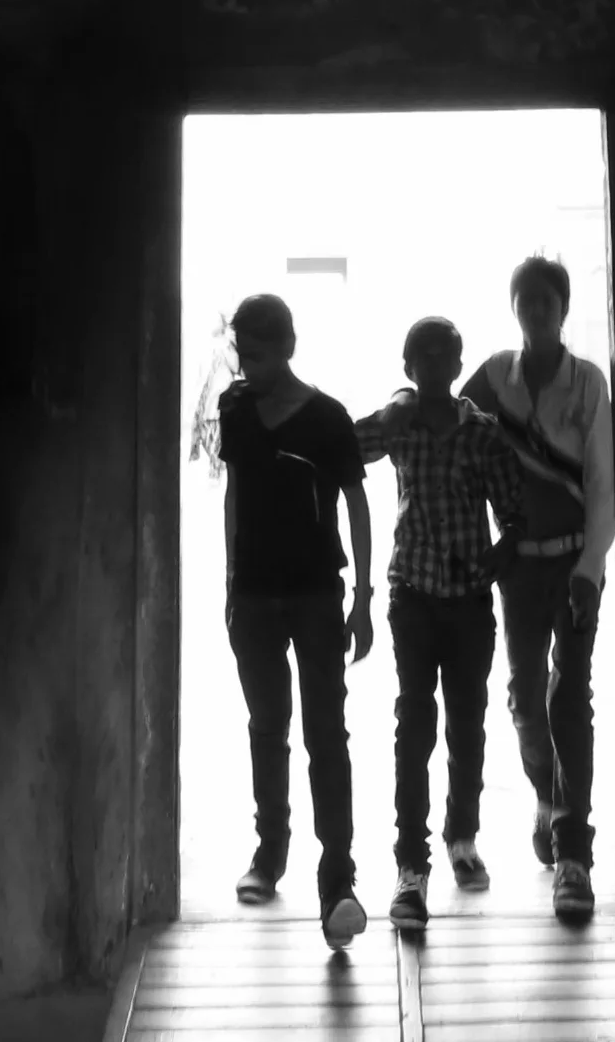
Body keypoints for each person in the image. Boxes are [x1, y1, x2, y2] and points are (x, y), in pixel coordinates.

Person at [352, 317, 526, 933]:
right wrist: (392, 408)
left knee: (468, 724)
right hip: (413, 595)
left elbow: (514, 511)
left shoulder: (481, 434)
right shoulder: (401, 429)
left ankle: (462, 835)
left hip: (470, 600)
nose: (431, 367)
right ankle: (410, 864)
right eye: (419, 359)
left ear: (457, 366)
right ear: (408, 368)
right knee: (414, 724)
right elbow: (350, 448)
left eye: (442, 357)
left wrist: (501, 553)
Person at [459, 253, 615, 925]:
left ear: (563, 309)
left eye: (546, 301)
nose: (536, 311)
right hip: (518, 568)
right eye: (525, 301)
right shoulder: (497, 378)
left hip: (574, 563)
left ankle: (573, 854)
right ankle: (549, 798)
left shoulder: (587, 383)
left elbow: (603, 482)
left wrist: (590, 569)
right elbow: (450, 423)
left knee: (569, 695)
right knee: (526, 697)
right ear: (515, 309)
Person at [217, 292, 374, 945]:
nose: (247, 366)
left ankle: (337, 877)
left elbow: (357, 504)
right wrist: (230, 580)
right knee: (266, 726)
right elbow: (234, 493)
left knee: (326, 733)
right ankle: (269, 852)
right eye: (242, 354)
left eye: (257, 354)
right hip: (254, 595)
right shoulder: (235, 408)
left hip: (315, 595)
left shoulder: (327, 418)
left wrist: (362, 596)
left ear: (287, 347)